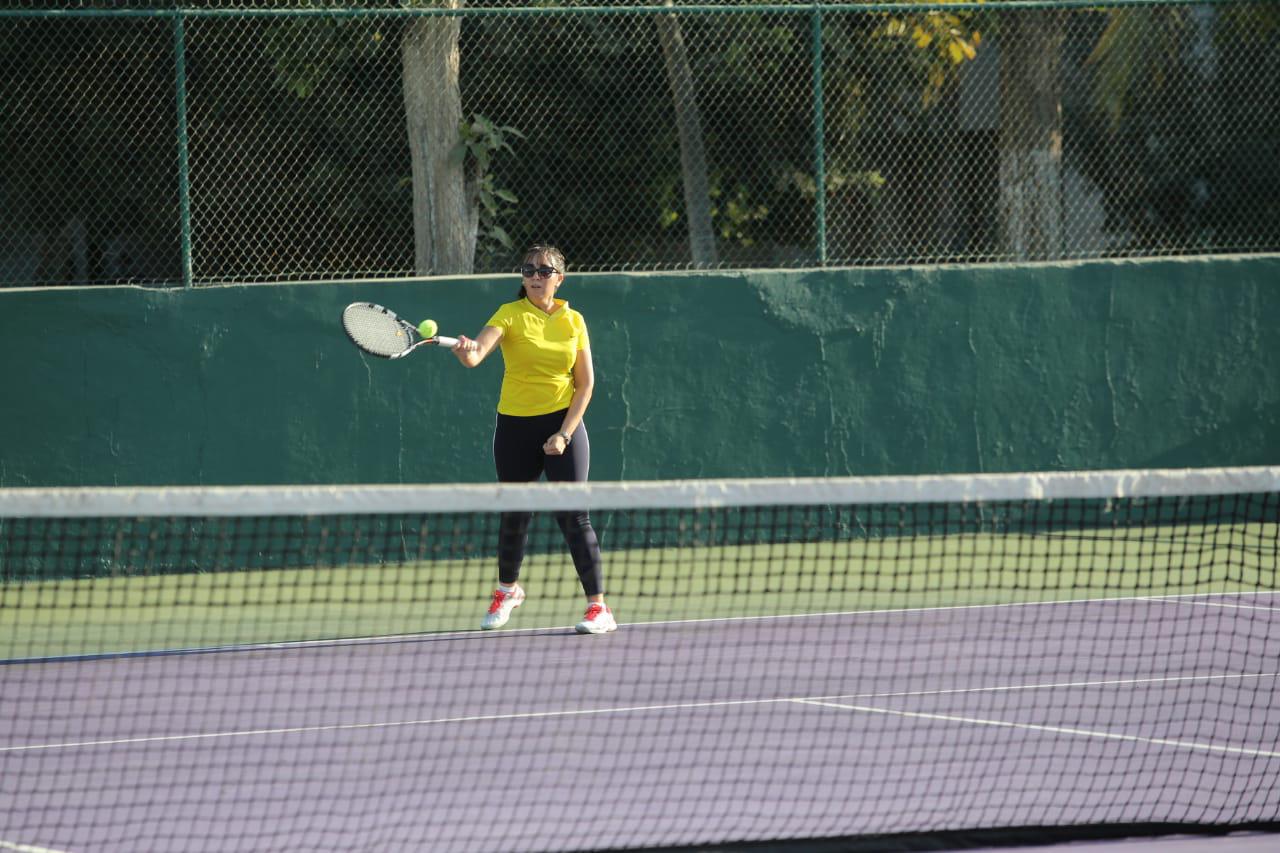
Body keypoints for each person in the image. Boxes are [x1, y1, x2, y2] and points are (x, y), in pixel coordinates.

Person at [451, 245, 616, 635]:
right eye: (529, 270)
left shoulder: (573, 320)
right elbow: (476, 355)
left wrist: (564, 433)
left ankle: (598, 608)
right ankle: (507, 591)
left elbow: (585, 385)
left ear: (560, 278)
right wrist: (465, 351)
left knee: (574, 515)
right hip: (515, 426)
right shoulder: (509, 314)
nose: (536, 276)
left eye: (544, 270)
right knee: (515, 512)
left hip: (562, 422)